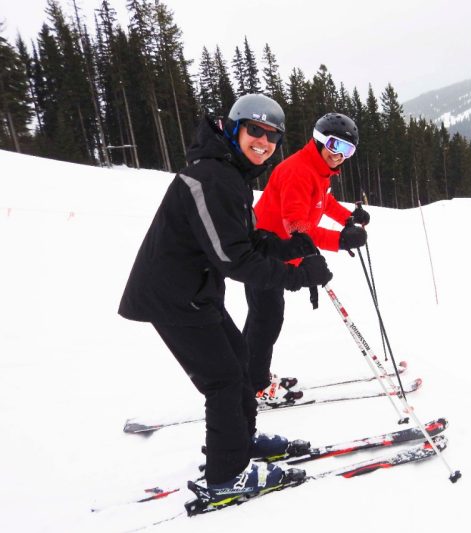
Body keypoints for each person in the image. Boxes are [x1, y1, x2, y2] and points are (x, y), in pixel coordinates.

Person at [117, 94, 332, 503]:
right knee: (224, 380)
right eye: (255, 130)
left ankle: (240, 443)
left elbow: (244, 240)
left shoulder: (229, 173)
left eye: (272, 136)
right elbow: (235, 260)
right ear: (234, 129)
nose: (263, 142)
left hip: (196, 292)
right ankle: (225, 476)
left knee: (240, 362)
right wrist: (298, 275)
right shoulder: (211, 177)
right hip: (173, 296)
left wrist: (290, 247)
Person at [244, 112, 370, 405]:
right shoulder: (298, 171)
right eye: (335, 145)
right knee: (267, 319)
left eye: (348, 150)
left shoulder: (318, 169)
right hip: (267, 251)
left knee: (261, 317)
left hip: (276, 252)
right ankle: (256, 384)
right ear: (320, 140)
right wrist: (340, 240)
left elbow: (323, 202)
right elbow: (296, 226)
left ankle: (249, 374)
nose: (339, 155)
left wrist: (348, 218)